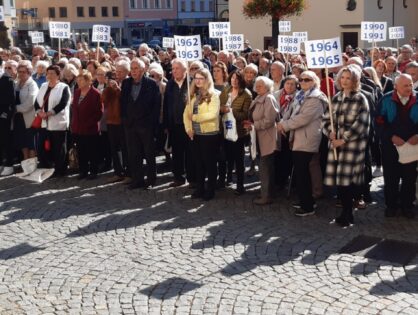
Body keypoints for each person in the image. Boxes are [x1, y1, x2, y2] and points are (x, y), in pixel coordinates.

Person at [323, 66, 370, 227]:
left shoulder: (360, 98)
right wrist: (329, 132)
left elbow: (362, 124)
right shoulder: (335, 98)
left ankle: (347, 213)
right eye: (342, 77)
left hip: (352, 146)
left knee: (346, 180)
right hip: (336, 146)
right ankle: (346, 212)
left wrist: (343, 139)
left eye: (348, 78)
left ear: (354, 80)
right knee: (340, 180)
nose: (344, 81)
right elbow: (326, 120)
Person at [277, 71, 327, 216]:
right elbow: (290, 112)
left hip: (307, 138)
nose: (303, 82)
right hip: (298, 137)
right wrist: (282, 122)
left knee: (303, 172)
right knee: (301, 171)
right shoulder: (300, 95)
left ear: (314, 81)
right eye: (302, 79)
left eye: (307, 79)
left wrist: (285, 125)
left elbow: (303, 118)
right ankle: (307, 199)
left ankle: (308, 206)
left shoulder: (316, 98)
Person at [377, 74, 418, 218]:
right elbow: (378, 121)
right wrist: (391, 136)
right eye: (405, 85)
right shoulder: (386, 99)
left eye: (411, 84)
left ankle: (408, 206)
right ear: (396, 87)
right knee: (391, 177)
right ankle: (391, 206)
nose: (409, 88)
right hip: (391, 146)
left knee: (410, 177)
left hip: (413, 146)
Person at [120, 58, 161, 190]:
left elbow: (156, 106)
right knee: (134, 154)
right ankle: (137, 179)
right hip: (130, 125)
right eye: (132, 69)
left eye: (136, 68)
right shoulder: (126, 83)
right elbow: (123, 103)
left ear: (143, 70)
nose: (133, 71)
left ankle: (150, 180)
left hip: (146, 125)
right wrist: (125, 120)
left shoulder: (152, 84)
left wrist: (151, 123)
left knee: (149, 153)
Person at [183, 68, 220, 201]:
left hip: (209, 134)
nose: (197, 81)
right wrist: (188, 128)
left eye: (201, 78)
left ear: (207, 79)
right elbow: (186, 114)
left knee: (209, 163)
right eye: (196, 78)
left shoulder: (213, 95)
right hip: (195, 134)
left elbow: (213, 114)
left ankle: (210, 189)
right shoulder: (192, 94)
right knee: (198, 163)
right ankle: (200, 188)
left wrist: (195, 118)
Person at [244, 76, 279, 205]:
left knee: (265, 168)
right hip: (258, 136)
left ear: (267, 87)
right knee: (263, 167)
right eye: (256, 85)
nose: (257, 88)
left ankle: (267, 196)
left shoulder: (269, 99)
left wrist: (253, 125)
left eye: (261, 86)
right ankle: (266, 192)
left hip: (267, 137)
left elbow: (269, 120)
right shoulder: (259, 97)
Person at [163, 59, 196, 188]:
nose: (174, 71)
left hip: (188, 124)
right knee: (177, 152)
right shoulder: (170, 84)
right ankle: (178, 177)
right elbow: (166, 105)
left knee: (190, 152)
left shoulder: (192, 83)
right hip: (174, 124)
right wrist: (166, 124)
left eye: (177, 68)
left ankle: (192, 178)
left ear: (184, 70)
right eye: (173, 68)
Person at [34, 65, 71, 176]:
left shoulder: (63, 87)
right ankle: (48, 166)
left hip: (58, 123)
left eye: (52, 73)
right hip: (44, 122)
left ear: (58, 75)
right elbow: (37, 102)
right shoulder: (44, 86)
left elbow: (63, 103)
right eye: (48, 73)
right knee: (41, 146)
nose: (49, 75)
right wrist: (39, 112)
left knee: (58, 148)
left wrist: (49, 113)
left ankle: (60, 169)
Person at [219, 70, 252, 195]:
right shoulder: (226, 90)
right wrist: (222, 110)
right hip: (225, 129)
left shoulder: (246, 94)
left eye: (237, 78)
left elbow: (245, 115)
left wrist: (231, 111)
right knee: (223, 157)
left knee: (239, 159)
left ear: (241, 80)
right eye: (232, 78)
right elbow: (219, 106)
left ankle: (240, 185)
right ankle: (223, 180)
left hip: (238, 132)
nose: (234, 80)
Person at [71, 70, 103, 179]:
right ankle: (83, 171)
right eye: (77, 80)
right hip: (78, 128)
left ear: (89, 81)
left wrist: (89, 123)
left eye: (81, 80)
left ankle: (93, 171)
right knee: (81, 150)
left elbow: (99, 112)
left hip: (90, 128)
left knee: (92, 150)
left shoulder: (95, 94)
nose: (78, 82)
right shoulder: (76, 92)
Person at [103, 61, 129, 183]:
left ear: (126, 72)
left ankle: (128, 172)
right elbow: (104, 100)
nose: (117, 74)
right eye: (116, 72)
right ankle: (118, 172)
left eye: (120, 72)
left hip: (123, 120)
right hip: (111, 120)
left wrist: (118, 89)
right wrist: (108, 87)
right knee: (113, 148)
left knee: (125, 148)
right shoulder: (113, 83)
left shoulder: (129, 83)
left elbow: (125, 101)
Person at [274, 75, 298, 189]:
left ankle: (285, 179)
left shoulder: (299, 97)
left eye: (292, 84)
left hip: (289, 130)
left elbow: (296, 115)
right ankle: (277, 180)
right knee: (276, 155)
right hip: (276, 128)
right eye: (287, 83)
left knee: (287, 157)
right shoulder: (276, 94)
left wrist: (285, 126)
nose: (289, 86)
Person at [14, 60, 39, 161]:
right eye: (19, 71)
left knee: (30, 142)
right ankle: (25, 163)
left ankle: (32, 164)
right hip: (18, 117)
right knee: (22, 141)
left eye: (23, 72)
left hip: (29, 117)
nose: (21, 74)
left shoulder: (32, 85)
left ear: (29, 72)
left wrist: (15, 109)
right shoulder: (16, 83)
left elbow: (30, 103)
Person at [0, 60, 16, 176]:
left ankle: (9, 164)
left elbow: (11, 101)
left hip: (3, 116)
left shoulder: (8, 80)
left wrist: (5, 114)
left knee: (6, 141)